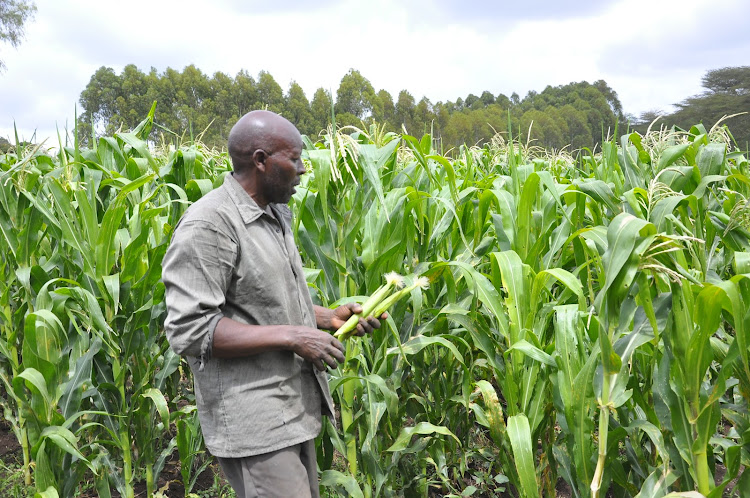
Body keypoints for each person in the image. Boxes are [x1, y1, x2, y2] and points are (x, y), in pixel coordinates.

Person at [161, 110, 383, 497]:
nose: (302, 169)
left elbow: (258, 302)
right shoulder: (210, 225)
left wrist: (326, 318)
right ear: (261, 161)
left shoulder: (276, 213)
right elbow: (191, 329)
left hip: (292, 405)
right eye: (294, 159)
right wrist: (294, 336)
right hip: (256, 417)